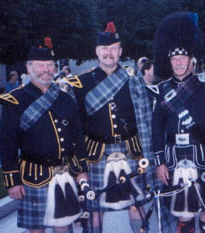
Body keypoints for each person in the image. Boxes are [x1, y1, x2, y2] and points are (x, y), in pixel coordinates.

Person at [68, 22, 156, 233]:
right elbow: (75, 128)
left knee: (137, 205)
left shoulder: (133, 78)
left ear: (120, 51)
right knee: (95, 209)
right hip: (96, 154)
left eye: (114, 48)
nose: (109, 53)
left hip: (131, 150)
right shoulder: (80, 83)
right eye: (105, 49)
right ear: (97, 51)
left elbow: (145, 119)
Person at [0, 43, 88, 233]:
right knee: (36, 229)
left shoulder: (65, 98)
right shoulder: (15, 99)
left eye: (49, 65)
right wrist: (12, 180)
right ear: (29, 68)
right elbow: (7, 144)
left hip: (64, 172)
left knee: (63, 226)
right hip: (33, 176)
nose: (46, 70)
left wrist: (81, 170)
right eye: (40, 65)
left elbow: (78, 136)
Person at [153, 12, 205, 233]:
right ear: (169, 61)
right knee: (182, 212)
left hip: (203, 153)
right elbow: (156, 130)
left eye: (183, 59)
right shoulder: (162, 90)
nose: (179, 63)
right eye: (175, 59)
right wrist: (159, 162)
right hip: (173, 155)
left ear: (192, 60)